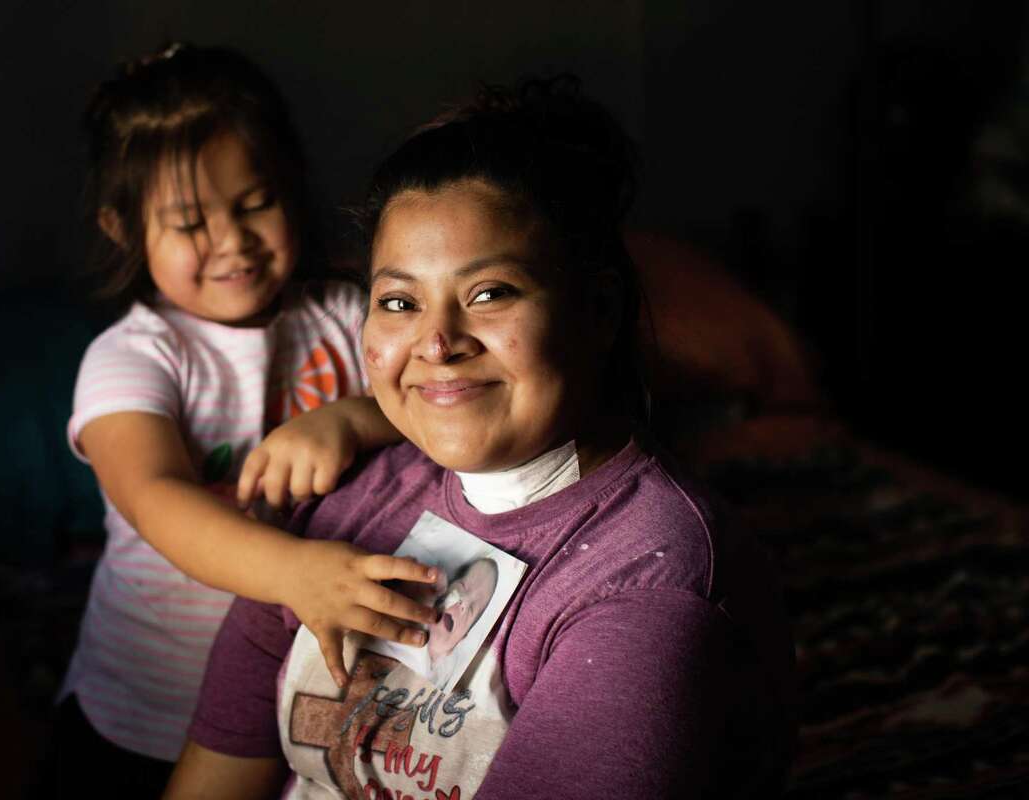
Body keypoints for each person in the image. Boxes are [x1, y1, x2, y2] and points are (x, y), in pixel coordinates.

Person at [167, 76, 797, 798]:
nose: (436, 341)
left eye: (489, 293)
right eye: (399, 301)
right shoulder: (339, 503)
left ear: (597, 310)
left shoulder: (651, 586)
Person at [57, 43, 440, 796]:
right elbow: (157, 496)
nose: (231, 240)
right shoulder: (133, 357)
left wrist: (355, 418)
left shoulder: (339, 314)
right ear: (122, 228)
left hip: (298, 709)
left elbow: (433, 399)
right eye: (190, 221)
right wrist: (294, 574)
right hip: (141, 717)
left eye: (254, 203)